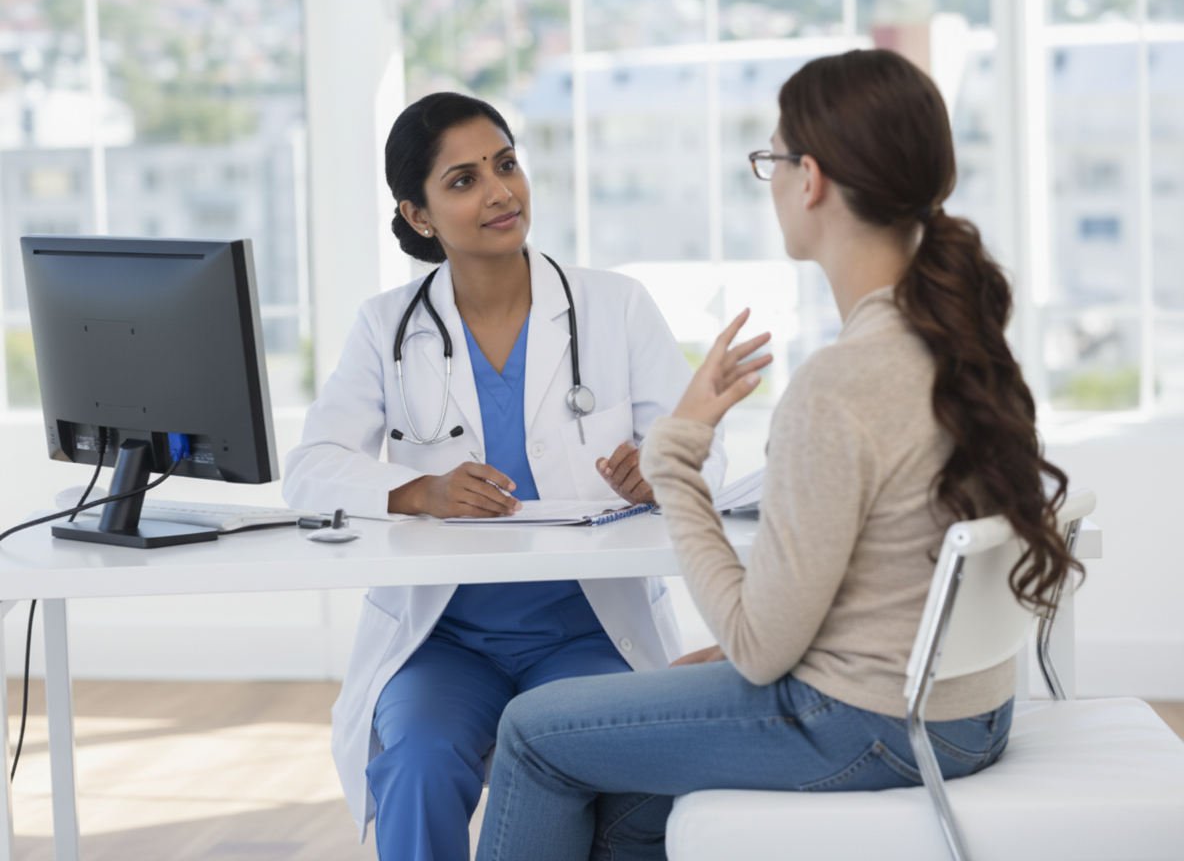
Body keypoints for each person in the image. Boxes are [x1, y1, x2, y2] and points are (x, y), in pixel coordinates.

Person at [474, 49, 1081, 861]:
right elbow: (874, 582)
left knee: (530, 732)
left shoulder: (841, 383)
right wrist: (719, 657)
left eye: (773, 159)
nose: (771, 180)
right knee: (620, 813)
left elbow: (760, 652)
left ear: (811, 179)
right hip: (967, 714)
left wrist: (675, 455)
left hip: (862, 723)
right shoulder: (962, 343)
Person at [282, 92, 726, 861]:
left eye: (506, 165)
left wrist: (662, 473)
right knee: (417, 762)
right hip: (445, 640)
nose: (499, 192)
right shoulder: (386, 327)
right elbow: (310, 468)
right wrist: (417, 491)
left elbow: (706, 456)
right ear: (418, 215)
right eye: (464, 180)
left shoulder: (614, 306)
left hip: (588, 631)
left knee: (589, 766)